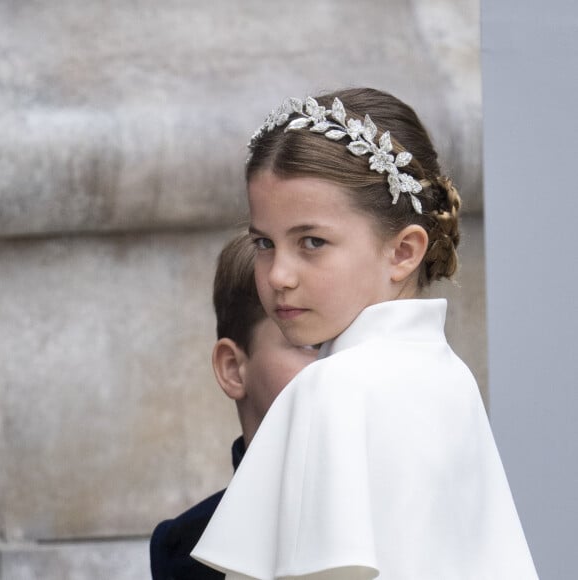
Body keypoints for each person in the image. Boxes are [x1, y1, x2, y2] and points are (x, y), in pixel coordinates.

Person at [192, 88, 538, 579]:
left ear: (403, 252)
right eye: (264, 243)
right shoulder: (450, 379)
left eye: (312, 242)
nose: (278, 276)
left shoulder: (331, 388)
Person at [150, 233, 318, 579]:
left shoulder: (410, 510)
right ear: (232, 368)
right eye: (310, 344)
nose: (339, 364)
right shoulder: (185, 549)